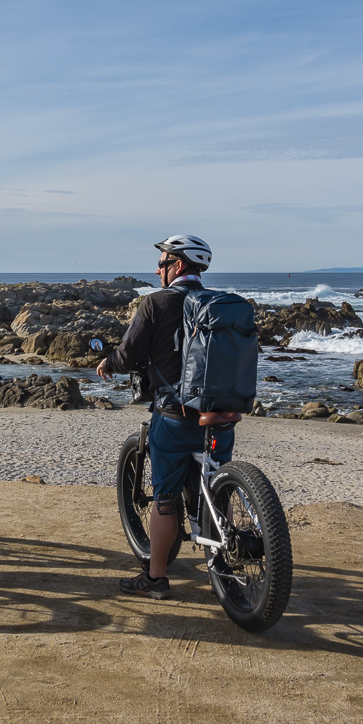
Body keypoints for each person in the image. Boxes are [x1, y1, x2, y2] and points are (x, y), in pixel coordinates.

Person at [96, 234, 234, 599]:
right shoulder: (218, 303)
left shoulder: (155, 304)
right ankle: (227, 539)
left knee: (164, 498)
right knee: (216, 483)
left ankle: (156, 578)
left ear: (177, 265)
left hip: (175, 416)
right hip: (220, 416)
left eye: (162, 262)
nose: (157, 269)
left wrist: (108, 363)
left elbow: (127, 354)